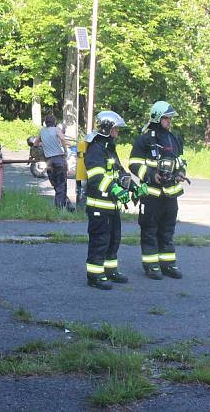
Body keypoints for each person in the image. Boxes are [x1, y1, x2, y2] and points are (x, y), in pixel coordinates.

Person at [84, 110, 143, 290]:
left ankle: (110, 270)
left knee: (113, 239)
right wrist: (114, 189)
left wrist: (133, 187)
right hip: (98, 205)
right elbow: (96, 177)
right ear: (107, 128)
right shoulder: (95, 148)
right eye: (116, 128)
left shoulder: (109, 148)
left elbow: (120, 172)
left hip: (111, 205)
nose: (118, 132)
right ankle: (95, 275)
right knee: (100, 240)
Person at [129, 101, 187, 280]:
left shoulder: (174, 138)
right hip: (151, 195)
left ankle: (168, 264)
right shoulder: (145, 139)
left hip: (170, 195)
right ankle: (151, 266)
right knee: (150, 230)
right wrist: (150, 175)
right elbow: (134, 163)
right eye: (166, 118)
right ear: (157, 118)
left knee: (167, 231)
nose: (169, 121)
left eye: (170, 118)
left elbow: (179, 161)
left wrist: (180, 173)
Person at [34, 115, 75, 212]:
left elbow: (36, 143)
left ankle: (65, 205)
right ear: (54, 122)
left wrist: (44, 143)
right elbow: (63, 139)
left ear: (45, 122)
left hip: (48, 162)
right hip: (58, 160)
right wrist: (65, 151)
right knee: (61, 184)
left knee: (55, 184)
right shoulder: (56, 129)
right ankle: (60, 207)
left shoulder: (42, 131)